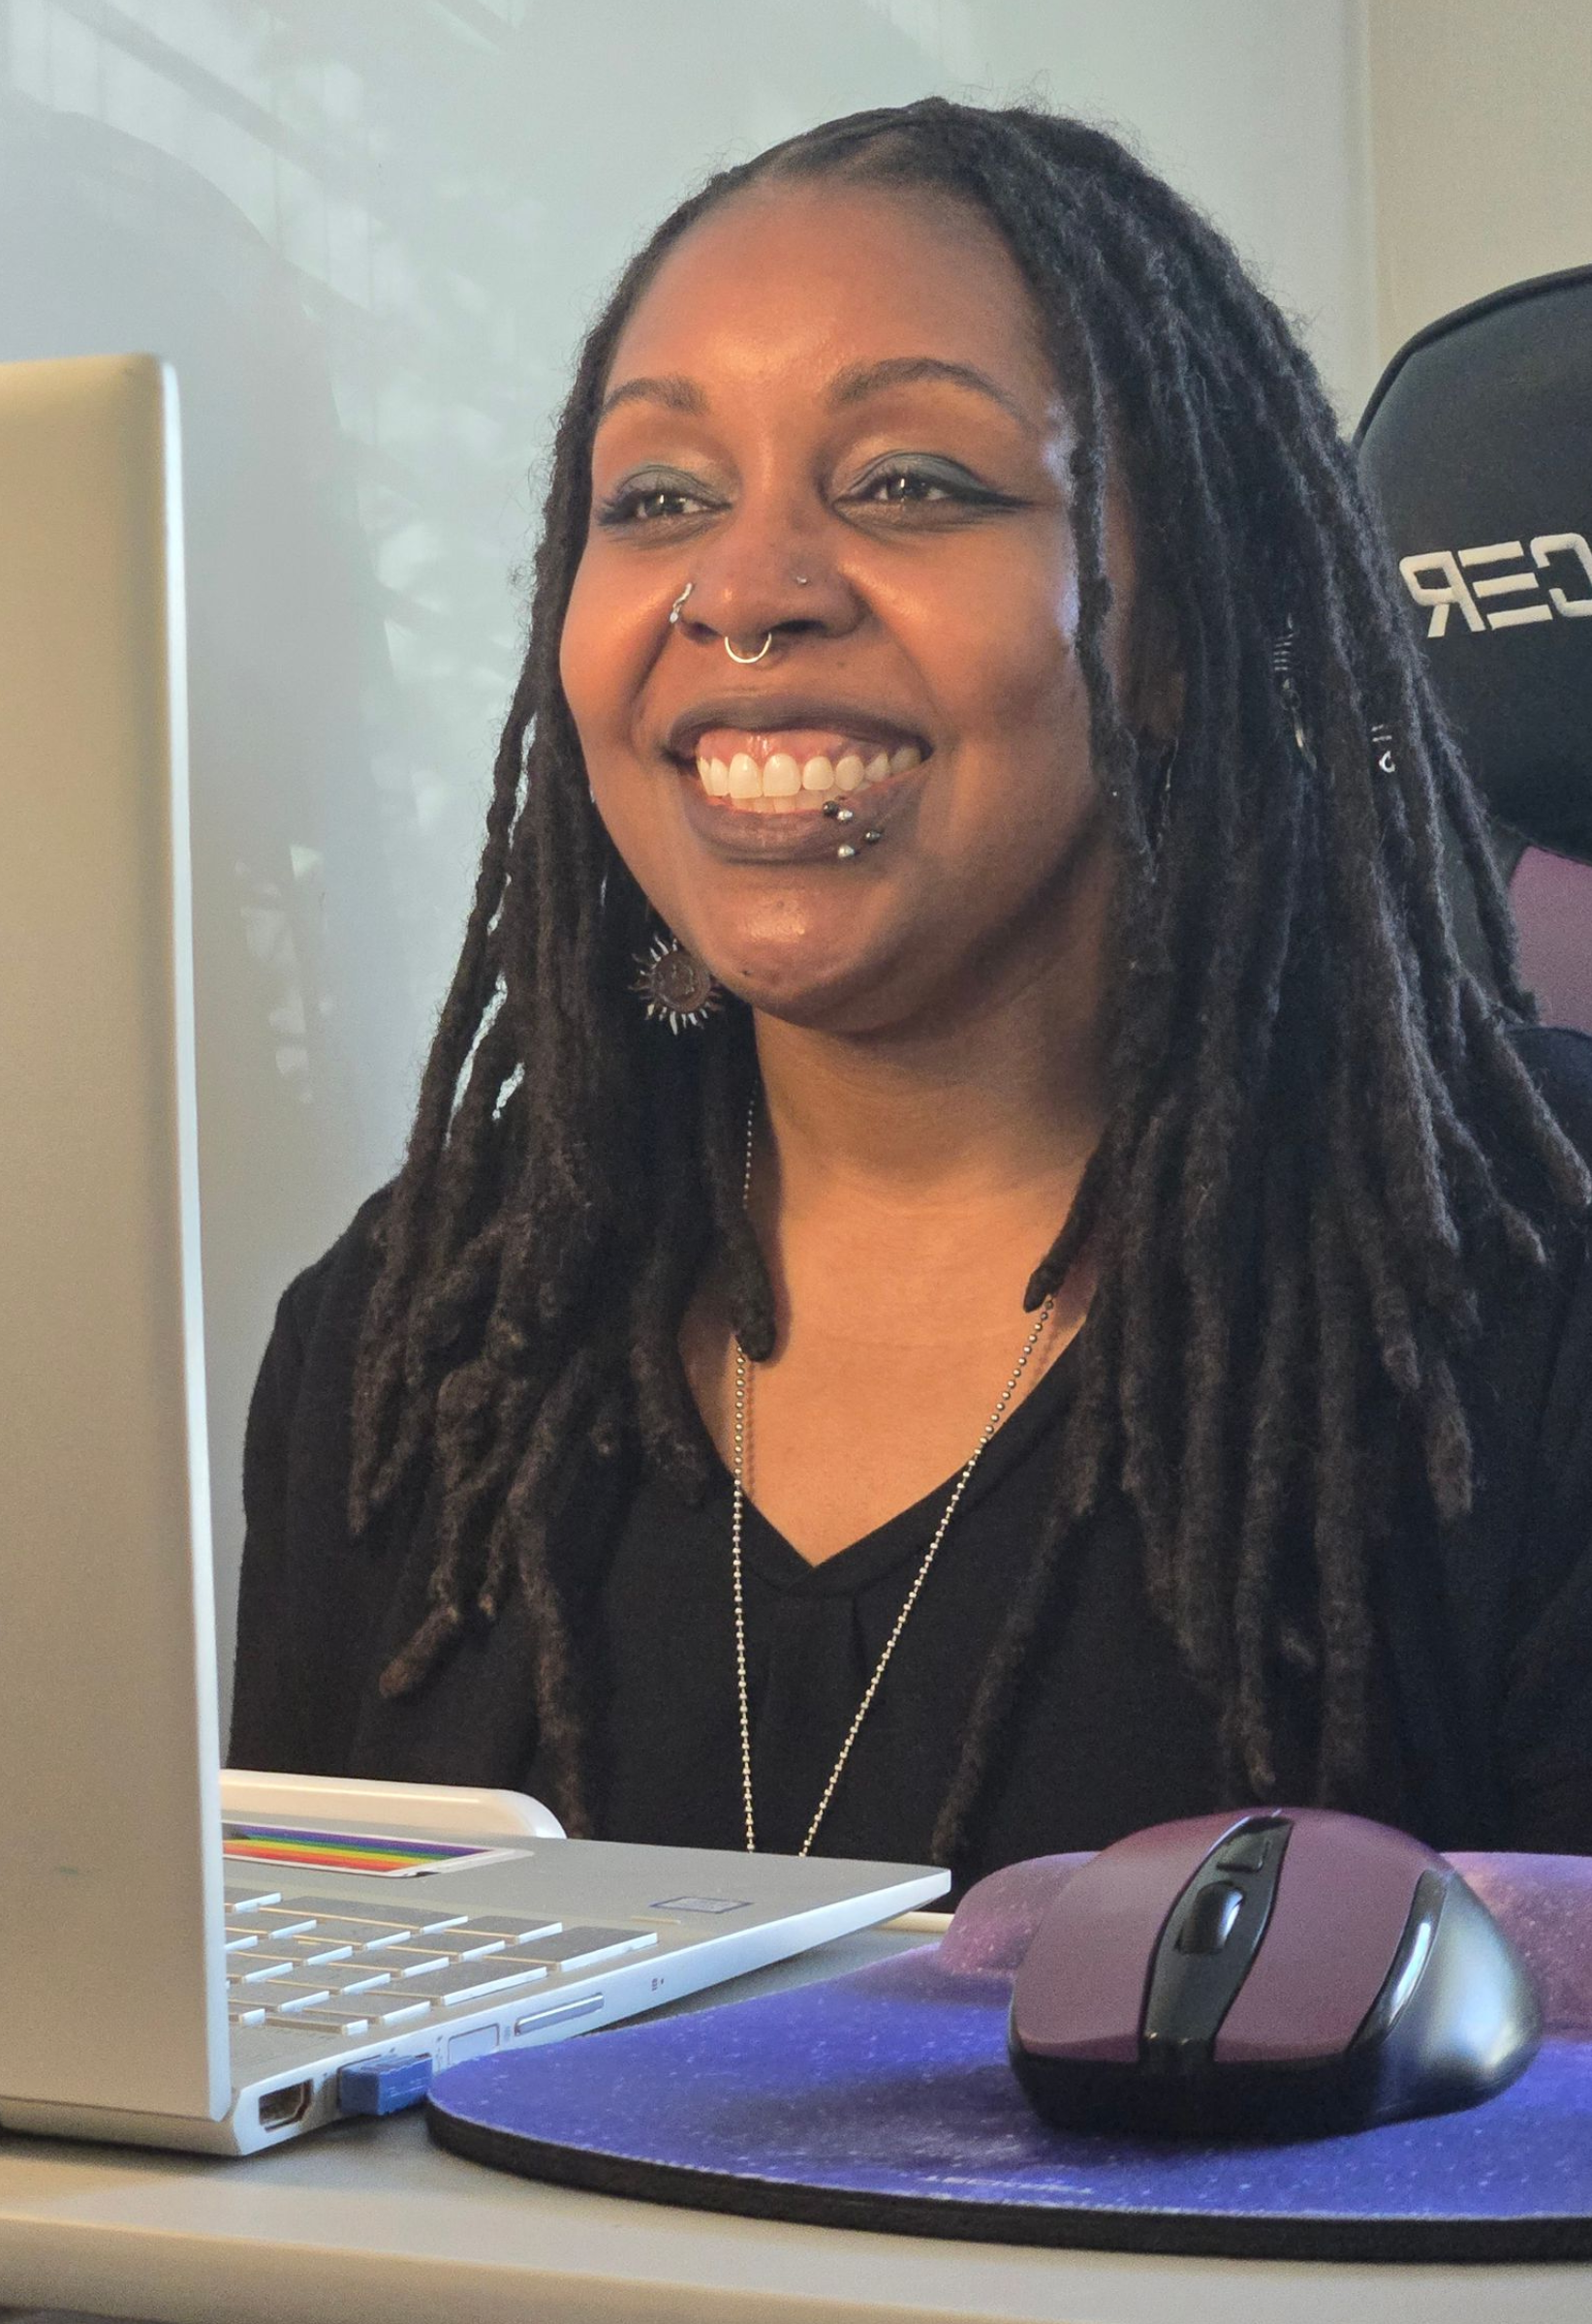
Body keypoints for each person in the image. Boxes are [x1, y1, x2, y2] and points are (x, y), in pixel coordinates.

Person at [230, 98, 1592, 1897]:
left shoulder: (1528, 1288)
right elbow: (263, 2155)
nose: (745, 590)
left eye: (908, 484)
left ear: (1176, 626)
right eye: (655, 500)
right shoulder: (418, 1337)